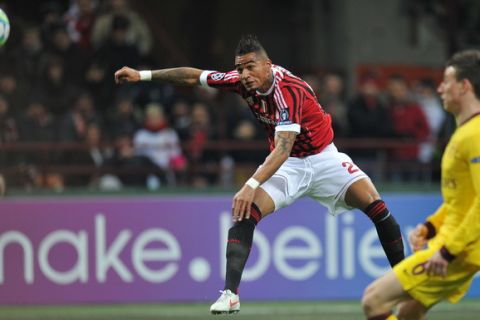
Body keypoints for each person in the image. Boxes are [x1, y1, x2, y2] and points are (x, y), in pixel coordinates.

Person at [114, 34, 405, 314]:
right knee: (245, 213)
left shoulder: (288, 90)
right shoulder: (242, 82)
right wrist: (143, 75)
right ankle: (230, 296)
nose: (244, 74)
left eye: (250, 67)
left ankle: (405, 284)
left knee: (377, 207)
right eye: (240, 68)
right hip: (290, 165)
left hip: (323, 158)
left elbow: (282, 147)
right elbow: (194, 76)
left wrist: (250, 183)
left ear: (268, 65)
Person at [362, 49, 480, 320]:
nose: (440, 88)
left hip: (458, 251)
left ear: (464, 86)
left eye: (447, 81)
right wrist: (431, 226)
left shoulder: (475, 135)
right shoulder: (464, 133)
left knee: (374, 300)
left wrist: (448, 252)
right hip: (455, 246)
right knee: (407, 314)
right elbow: (461, 200)